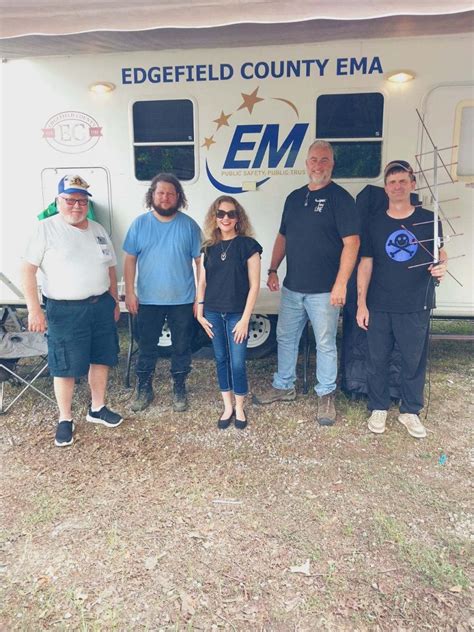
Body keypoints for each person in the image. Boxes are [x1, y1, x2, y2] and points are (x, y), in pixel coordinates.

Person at [253, 140, 360, 426]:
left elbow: (352, 243)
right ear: (306, 163)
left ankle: (326, 395)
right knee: (286, 338)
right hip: (292, 287)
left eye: (324, 160)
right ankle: (283, 385)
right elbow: (282, 237)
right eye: (314, 159)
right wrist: (273, 268)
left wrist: (341, 284)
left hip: (325, 290)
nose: (318, 165)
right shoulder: (294, 198)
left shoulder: (341, 198)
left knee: (325, 343)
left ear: (332, 164)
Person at [22, 174, 123, 447]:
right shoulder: (45, 229)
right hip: (65, 310)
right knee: (64, 365)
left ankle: (97, 408)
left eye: (81, 200)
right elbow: (27, 271)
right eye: (70, 200)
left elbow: (110, 269)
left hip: (100, 305)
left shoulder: (98, 229)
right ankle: (65, 418)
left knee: (101, 357)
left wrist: (114, 301)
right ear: (58, 201)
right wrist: (34, 310)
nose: (76, 206)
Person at [356, 160, 447, 438]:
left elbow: (441, 253)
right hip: (380, 303)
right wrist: (361, 303)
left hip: (415, 303)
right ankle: (379, 407)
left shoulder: (429, 220)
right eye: (392, 182)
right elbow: (366, 263)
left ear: (412, 184)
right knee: (377, 358)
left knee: (412, 360)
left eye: (402, 181)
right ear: (385, 187)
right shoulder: (374, 223)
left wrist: (443, 265)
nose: (397, 186)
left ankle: (410, 411)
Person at [123, 173, 201, 412]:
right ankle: (144, 387)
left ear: (178, 196)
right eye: (160, 193)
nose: (165, 197)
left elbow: (201, 262)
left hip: (183, 299)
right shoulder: (139, 224)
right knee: (146, 346)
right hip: (148, 300)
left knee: (181, 347)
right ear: (152, 195)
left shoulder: (189, 226)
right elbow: (129, 260)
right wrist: (130, 292)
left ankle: (179, 387)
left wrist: (200, 297)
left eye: (170, 193)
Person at [196, 196, 262, 429]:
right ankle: (227, 406)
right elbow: (202, 282)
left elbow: (254, 285)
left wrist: (245, 319)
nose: (225, 218)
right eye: (220, 214)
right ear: (214, 218)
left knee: (237, 362)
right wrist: (199, 311)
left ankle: (240, 407)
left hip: (237, 315)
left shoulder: (248, 246)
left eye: (231, 214)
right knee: (221, 359)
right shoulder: (208, 248)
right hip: (213, 313)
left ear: (238, 218)